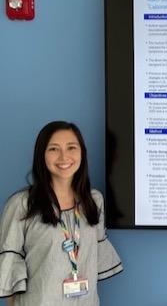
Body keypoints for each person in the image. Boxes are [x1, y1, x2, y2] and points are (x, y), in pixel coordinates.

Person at [0, 121, 123, 305]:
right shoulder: (22, 204)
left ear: (81, 152)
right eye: (54, 149)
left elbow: (93, 256)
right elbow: (10, 265)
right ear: (42, 155)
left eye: (71, 147)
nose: (64, 156)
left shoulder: (94, 201)